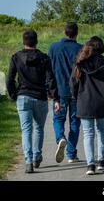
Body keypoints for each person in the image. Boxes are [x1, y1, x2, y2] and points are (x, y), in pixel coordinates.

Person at [6, 29, 60, 174]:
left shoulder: (16, 57)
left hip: (23, 97)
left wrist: (13, 94)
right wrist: (55, 97)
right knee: (38, 129)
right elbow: (50, 79)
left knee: (26, 130)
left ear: (23, 42)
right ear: (36, 41)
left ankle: (28, 161)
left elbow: (9, 79)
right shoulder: (44, 58)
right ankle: (37, 156)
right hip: (40, 97)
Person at [70, 36, 104, 175]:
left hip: (84, 102)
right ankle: (101, 161)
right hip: (102, 102)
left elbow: (73, 83)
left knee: (88, 133)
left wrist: (75, 98)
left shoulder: (80, 63)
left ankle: (90, 164)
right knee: (102, 131)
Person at [48, 22, 82, 163]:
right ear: (76, 33)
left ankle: (60, 138)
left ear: (64, 32)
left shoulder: (54, 48)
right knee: (75, 121)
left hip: (59, 91)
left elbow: (49, 71)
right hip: (76, 92)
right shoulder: (81, 49)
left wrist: (51, 92)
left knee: (58, 118)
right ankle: (71, 154)